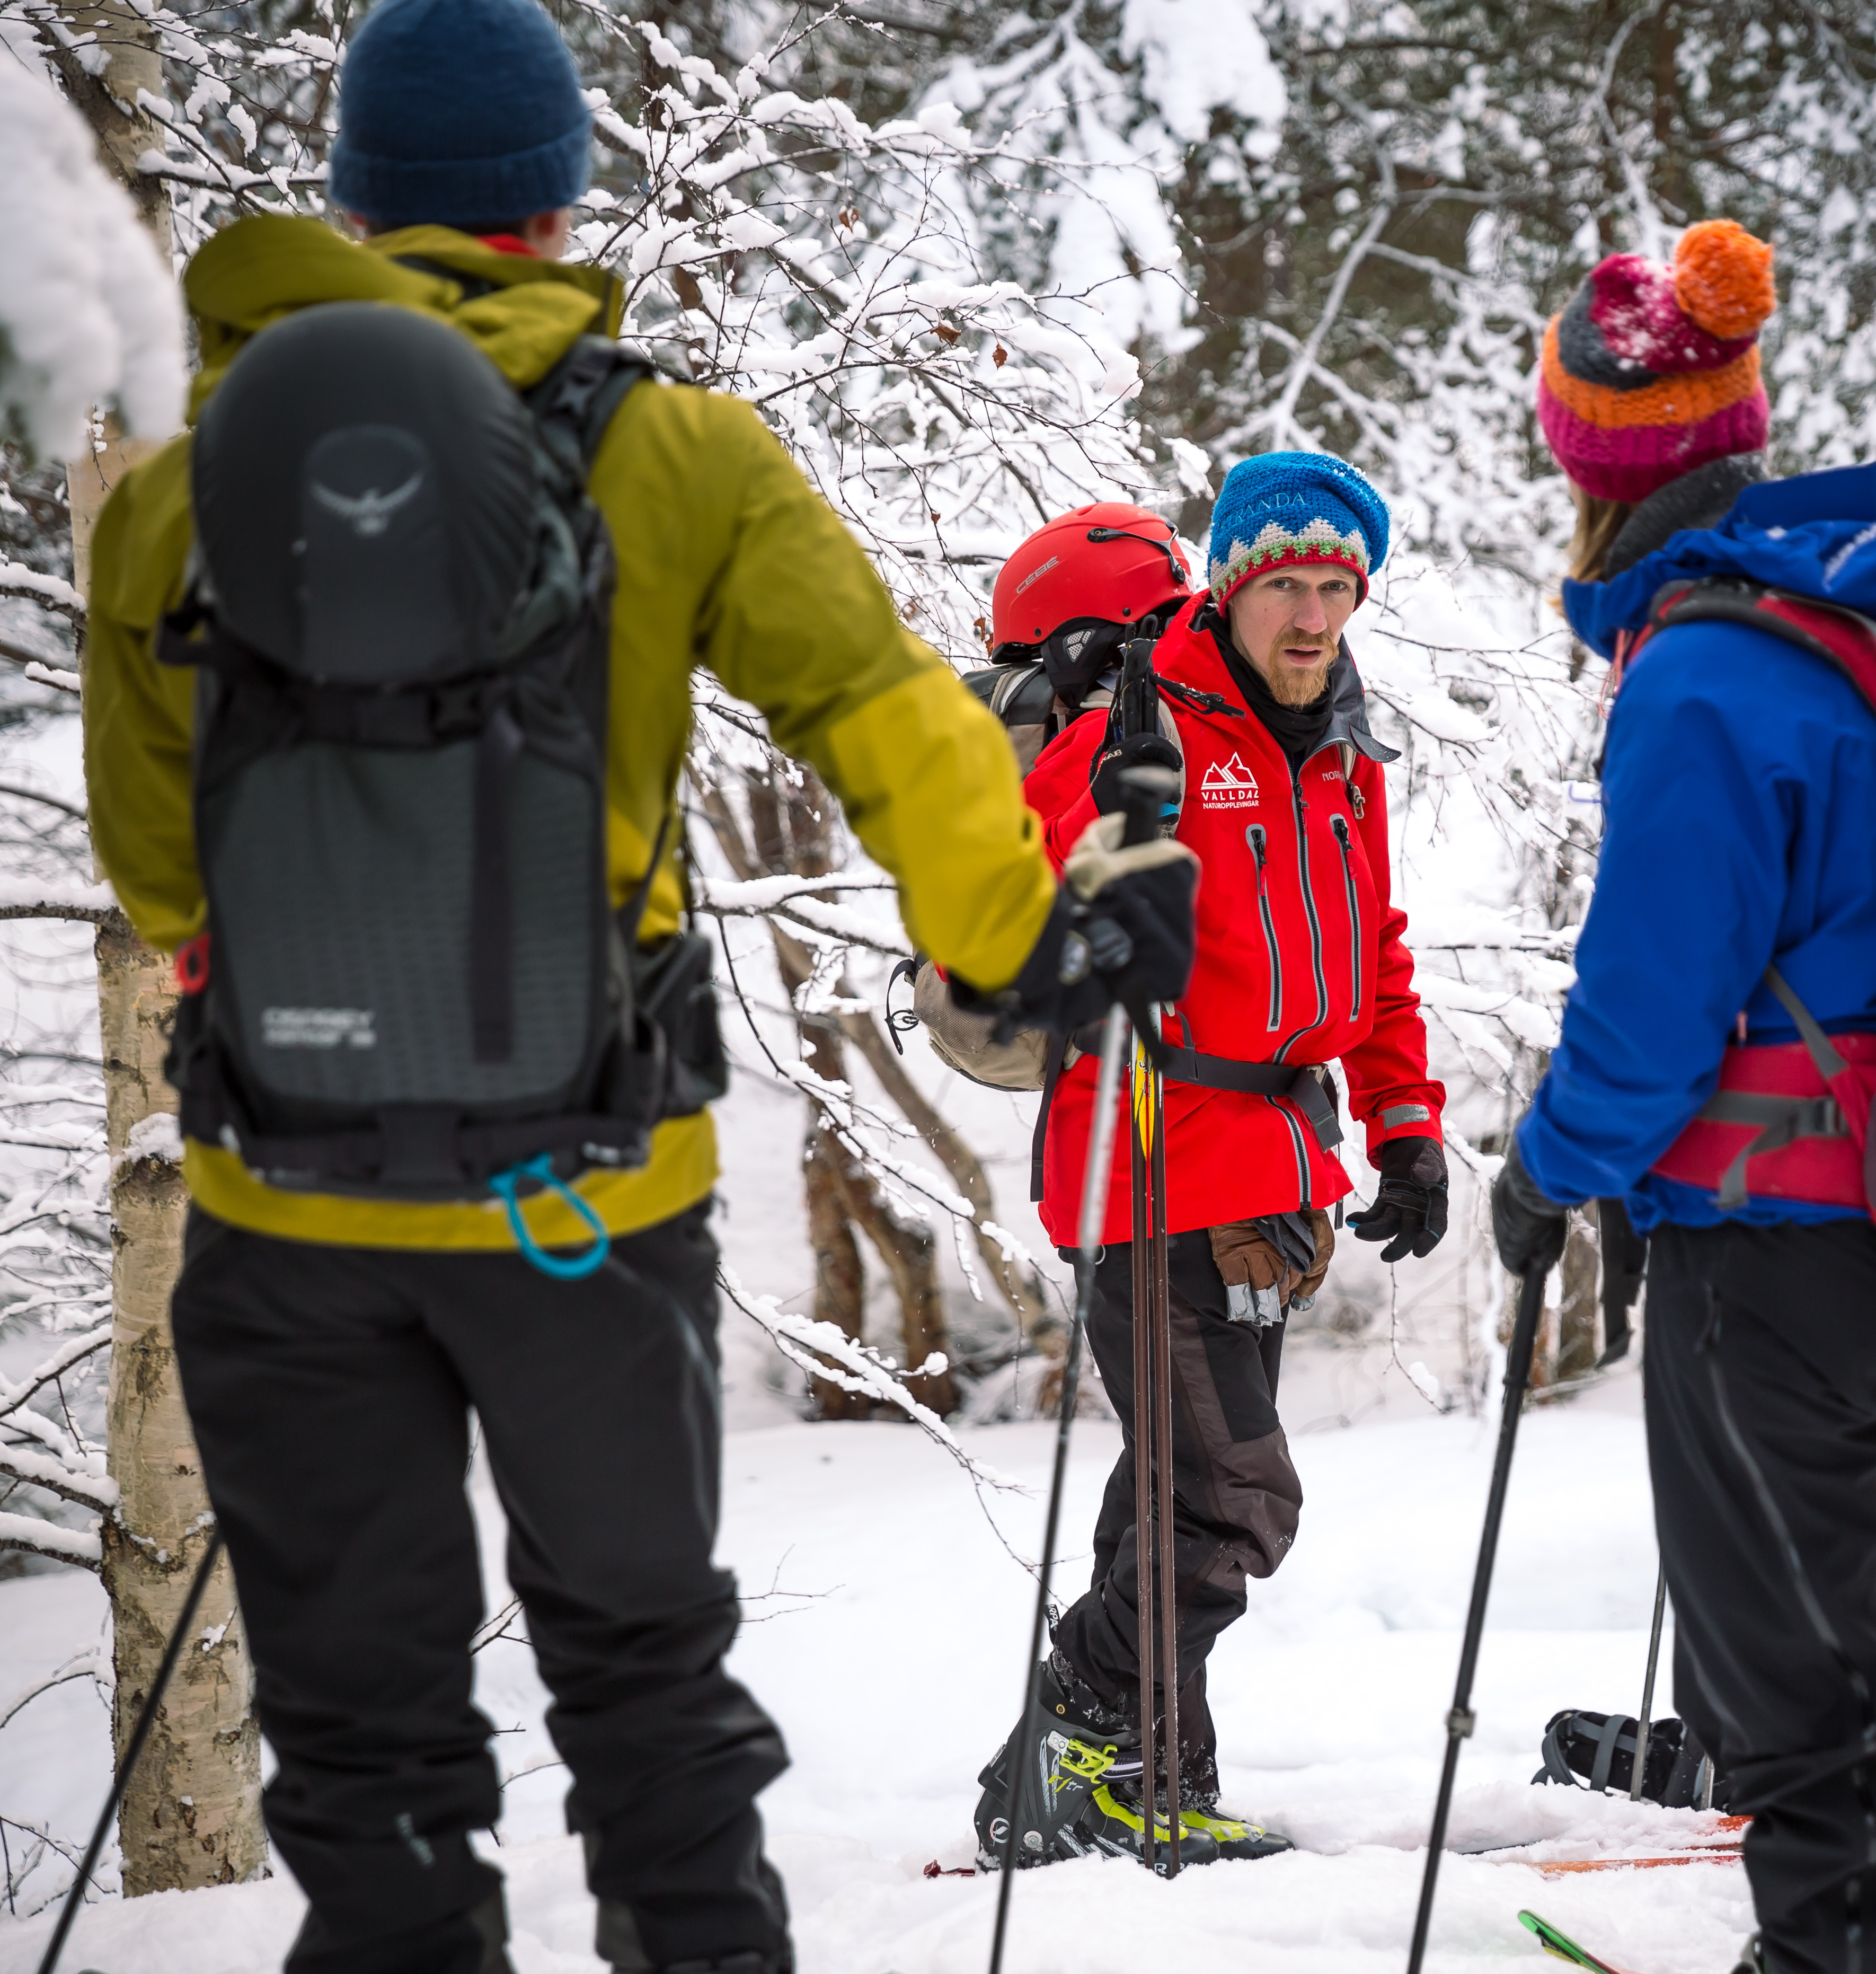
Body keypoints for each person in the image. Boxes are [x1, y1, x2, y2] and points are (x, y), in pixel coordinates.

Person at [80, 3, 1191, 1969]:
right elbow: (877, 711)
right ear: (554, 194)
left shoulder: (190, 481)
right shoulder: (662, 448)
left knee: (365, 1739)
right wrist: (1023, 937)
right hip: (581, 1201)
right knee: (644, 1692)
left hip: (281, 1203)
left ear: (348, 197)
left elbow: (158, 858)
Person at [1488, 217, 1876, 1972]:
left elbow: (1651, 999)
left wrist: (1548, 1164)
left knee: (1786, 1699)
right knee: (1831, 1638)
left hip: (1771, 1237)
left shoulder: (1707, 668)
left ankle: (1852, 1943)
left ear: (1588, 459)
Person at [973, 453, 1451, 1868]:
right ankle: (1075, 1725)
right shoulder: (1139, 739)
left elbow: (1372, 955)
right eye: (1285, 586)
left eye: (1335, 588)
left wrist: (1407, 1121)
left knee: (1175, 1493)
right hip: (1148, 1155)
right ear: (1233, 591)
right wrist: (1087, 925)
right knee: (1237, 1491)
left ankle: (1147, 1780)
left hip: (1277, 1173)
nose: (1311, 616)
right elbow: (997, 927)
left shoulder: (1345, 755)